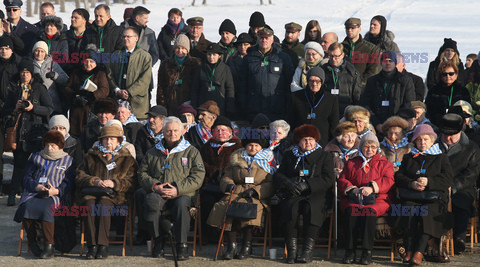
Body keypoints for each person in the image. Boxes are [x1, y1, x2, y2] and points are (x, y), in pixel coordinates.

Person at [139, 116, 205, 260]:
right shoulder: (152, 152)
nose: (172, 134)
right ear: (163, 131)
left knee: (181, 205)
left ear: (182, 131)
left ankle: (181, 245)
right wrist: (155, 186)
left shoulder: (191, 151)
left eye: (175, 130)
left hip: (183, 193)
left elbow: (198, 176)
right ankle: (159, 240)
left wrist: (177, 189)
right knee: (150, 201)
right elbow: (142, 174)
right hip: (159, 192)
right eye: (168, 131)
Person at [207, 134, 275, 260]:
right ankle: (231, 246)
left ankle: (246, 246)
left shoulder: (268, 161)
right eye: (250, 145)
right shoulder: (236, 159)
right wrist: (229, 185)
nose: (253, 148)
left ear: (261, 147)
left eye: (256, 146)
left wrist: (255, 191)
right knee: (225, 208)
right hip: (236, 192)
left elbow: (271, 183)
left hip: (256, 195)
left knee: (249, 210)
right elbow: (227, 176)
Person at [274, 125, 334, 263]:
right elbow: (279, 174)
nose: (308, 142)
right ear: (298, 141)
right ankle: (292, 251)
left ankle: (307, 252)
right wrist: (288, 184)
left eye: (311, 139)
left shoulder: (324, 156)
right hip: (293, 192)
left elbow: (328, 178)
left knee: (310, 209)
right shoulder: (290, 155)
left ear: (316, 140)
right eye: (304, 139)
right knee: (290, 209)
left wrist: (308, 184)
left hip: (316, 193)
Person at [76, 123, 137, 259]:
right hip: (92, 192)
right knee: (89, 205)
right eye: (106, 139)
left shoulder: (127, 158)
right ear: (101, 140)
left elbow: (132, 181)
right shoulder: (91, 155)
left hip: (115, 195)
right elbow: (79, 175)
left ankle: (103, 246)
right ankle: (91, 246)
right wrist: (94, 181)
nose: (109, 142)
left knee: (104, 205)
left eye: (112, 139)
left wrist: (114, 183)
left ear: (119, 140)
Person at [396, 124, 453, 265]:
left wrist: (429, 182)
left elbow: (448, 178)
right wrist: (411, 183)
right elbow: (399, 176)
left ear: (432, 140)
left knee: (427, 213)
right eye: (419, 140)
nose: (422, 143)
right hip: (412, 196)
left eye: (426, 139)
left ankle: (419, 252)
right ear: (415, 141)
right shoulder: (409, 157)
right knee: (408, 210)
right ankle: (408, 250)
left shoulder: (441, 157)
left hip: (434, 197)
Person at [13, 130, 75, 258]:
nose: (50, 148)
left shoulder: (68, 160)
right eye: (47, 145)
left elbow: (69, 182)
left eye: (53, 145)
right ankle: (33, 243)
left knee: (48, 208)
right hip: (34, 193)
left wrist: (57, 191)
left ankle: (49, 245)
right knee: (26, 207)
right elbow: (26, 178)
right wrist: (36, 186)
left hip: (55, 195)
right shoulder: (36, 157)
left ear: (60, 146)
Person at [338, 132, 395, 265]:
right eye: (366, 146)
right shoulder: (352, 162)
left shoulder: (385, 163)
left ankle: (366, 251)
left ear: (377, 148)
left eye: (373, 147)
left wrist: (372, 188)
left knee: (369, 212)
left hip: (378, 199)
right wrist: (353, 188)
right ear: (361, 147)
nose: (369, 150)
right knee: (351, 211)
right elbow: (342, 179)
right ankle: (350, 250)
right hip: (354, 198)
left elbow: (389, 180)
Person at [4, 60, 54, 206]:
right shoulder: (14, 89)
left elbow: (50, 108)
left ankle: (37, 193)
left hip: (36, 132)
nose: (24, 75)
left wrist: (33, 108)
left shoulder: (39, 88)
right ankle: (12, 194)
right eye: (22, 72)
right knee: (18, 165)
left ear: (31, 74)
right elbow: (5, 110)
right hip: (19, 133)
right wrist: (14, 108)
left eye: (27, 72)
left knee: (37, 165)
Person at [437, 113, 480, 254]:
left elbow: (472, 173)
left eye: (452, 136)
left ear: (460, 132)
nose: (448, 139)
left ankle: (459, 238)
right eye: (445, 135)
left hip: (462, 187)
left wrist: (454, 186)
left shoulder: (471, 148)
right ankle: (434, 239)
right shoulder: (434, 145)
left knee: (461, 202)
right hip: (438, 186)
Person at [199, 116, 242, 243]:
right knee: (206, 200)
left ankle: (230, 236)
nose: (220, 133)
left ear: (230, 132)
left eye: (223, 130)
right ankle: (209, 235)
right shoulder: (206, 148)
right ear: (212, 132)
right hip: (210, 185)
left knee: (228, 201)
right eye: (217, 130)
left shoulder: (238, 147)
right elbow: (200, 166)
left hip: (230, 185)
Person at [238, 27, 294, 121]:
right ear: (257, 39)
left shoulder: (283, 58)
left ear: (272, 39)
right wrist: (243, 105)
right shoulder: (248, 58)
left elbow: (289, 83)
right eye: (261, 37)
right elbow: (242, 85)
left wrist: (287, 105)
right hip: (254, 109)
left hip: (277, 109)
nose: (264, 40)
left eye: (267, 38)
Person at [360, 51, 415, 133]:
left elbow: (409, 104)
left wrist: (394, 123)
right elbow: (366, 105)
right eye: (384, 61)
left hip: (399, 125)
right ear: (381, 63)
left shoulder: (405, 80)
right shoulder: (372, 81)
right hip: (376, 126)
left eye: (390, 61)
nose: (387, 63)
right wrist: (377, 124)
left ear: (395, 62)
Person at [108, 27, 152, 120]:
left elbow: (145, 80)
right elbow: (109, 75)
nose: (125, 39)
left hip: (137, 104)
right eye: (124, 36)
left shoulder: (145, 56)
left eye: (128, 36)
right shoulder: (116, 54)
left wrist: (130, 92)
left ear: (136, 38)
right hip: (117, 103)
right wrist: (117, 90)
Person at [64, 45, 109, 136]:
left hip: (92, 109)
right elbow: (67, 88)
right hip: (77, 109)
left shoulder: (100, 73)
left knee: (90, 133)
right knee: (75, 134)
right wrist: (75, 95)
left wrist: (92, 96)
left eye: (91, 61)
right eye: (86, 61)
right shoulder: (76, 73)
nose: (88, 64)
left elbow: (105, 90)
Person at [289, 67, 339, 147]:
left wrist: (331, 144)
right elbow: (291, 120)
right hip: (301, 142)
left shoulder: (331, 99)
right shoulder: (296, 96)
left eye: (317, 81)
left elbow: (334, 123)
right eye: (311, 80)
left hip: (322, 142)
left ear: (322, 81)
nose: (314, 84)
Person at [156, 33, 201, 115]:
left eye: (183, 48)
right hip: (170, 106)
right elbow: (161, 87)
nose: (180, 51)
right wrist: (162, 106)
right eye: (178, 48)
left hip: (189, 106)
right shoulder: (166, 64)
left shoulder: (195, 64)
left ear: (188, 50)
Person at [191, 43, 235, 116]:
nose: (211, 57)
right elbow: (195, 89)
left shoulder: (226, 69)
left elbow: (230, 88)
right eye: (209, 54)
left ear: (219, 56)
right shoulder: (200, 69)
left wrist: (230, 107)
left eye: (214, 55)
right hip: (203, 104)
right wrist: (194, 105)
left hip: (220, 104)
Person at [425, 61, 471, 127]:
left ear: (456, 75)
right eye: (444, 74)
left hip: (458, 123)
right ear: (440, 75)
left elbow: (467, 110)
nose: (448, 76)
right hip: (438, 124)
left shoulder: (463, 90)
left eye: (451, 73)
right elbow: (429, 110)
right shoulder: (434, 91)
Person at [322, 43, 362, 115]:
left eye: (336, 56)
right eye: (331, 56)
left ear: (342, 55)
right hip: (327, 110)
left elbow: (357, 94)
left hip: (346, 111)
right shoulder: (322, 70)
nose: (333, 59)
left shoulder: (352, 71)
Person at [31, 41, 68, 115]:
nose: (39, 54)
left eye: (42, 51)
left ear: (46, 53)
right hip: (36, 101)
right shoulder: (29, 64)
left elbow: (66, 79)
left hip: (53, 101)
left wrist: (55, 76)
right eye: (37, 51)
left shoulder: (52, 63)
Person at [341, 18, 381, 87]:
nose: (349, 30)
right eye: (347, 28)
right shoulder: (340, 48)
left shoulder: (371, 49)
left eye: (352, 28)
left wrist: (359, 83)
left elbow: (373, 71)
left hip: (362, 89)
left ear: (359, 29)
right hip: (342, 87)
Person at [227, 32, 255, 103]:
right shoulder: (231, 60)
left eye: (246, 45)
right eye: (240, 45)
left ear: (251, 45)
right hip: (236, 96)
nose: (243, 47)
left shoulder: (256, 60)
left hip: (252, 96)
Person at [65, 8, 90, 75]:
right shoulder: (65, 35)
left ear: (84, 20)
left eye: (76, 18)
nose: (72, 19)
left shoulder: (91, 35)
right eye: (72, 17)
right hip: (68, 71)